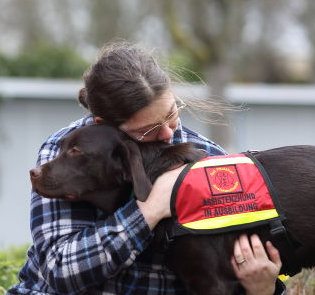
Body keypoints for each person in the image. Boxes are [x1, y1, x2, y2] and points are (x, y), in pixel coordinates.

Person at [7, 43, 285, 295]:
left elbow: (228, 270)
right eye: (148, 129)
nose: (168, 134)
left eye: (172, 113)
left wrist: (262, 289)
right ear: (103, 124)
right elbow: (60, 271)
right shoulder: (68, 150)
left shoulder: (207, 158)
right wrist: (150, 210)